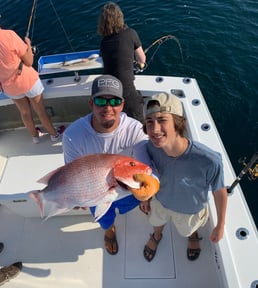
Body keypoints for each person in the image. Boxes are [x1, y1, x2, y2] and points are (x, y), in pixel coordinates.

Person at [62, 74, 152, 255]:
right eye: (101, 101)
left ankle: (143, 202)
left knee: (141, 198)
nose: (108, 107)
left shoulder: (135, 130)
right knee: (104, 218)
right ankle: (109, 231)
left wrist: (147, 193)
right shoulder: (73, 135)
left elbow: (147, 167)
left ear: (122, 104)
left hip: (129, 188)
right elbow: (72, 172)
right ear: (91, 104)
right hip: (95, 190)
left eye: (115, 101)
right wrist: (75, 196)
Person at [140, 92, 227, 262]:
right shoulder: (149, 147)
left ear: (178, 123)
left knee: (188, 228)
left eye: (162, 120)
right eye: (149, 122)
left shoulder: (209, 160)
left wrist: (220, 225)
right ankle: (157, 236)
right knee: (156, 221)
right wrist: (146, 198)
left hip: (191, 210)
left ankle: (193, 235)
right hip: (161, 201)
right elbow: (147, 175)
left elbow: (219, 191)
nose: (155, 129)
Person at [0, 27, 60, 144]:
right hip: (28, 81)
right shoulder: (9, 35)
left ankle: (35, 137)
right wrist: (28, 44)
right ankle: (54, 134)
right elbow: (29, 62)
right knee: (40, 110)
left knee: (24, 112)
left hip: (10, 88)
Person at [97, 2, 146, 123]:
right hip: (126, 90)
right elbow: (142, 59)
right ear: (120, 17)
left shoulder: (103, 43)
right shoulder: (131, 33)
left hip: (108, 90)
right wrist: (140, 64)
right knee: (139, 123)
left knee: (116, 121)